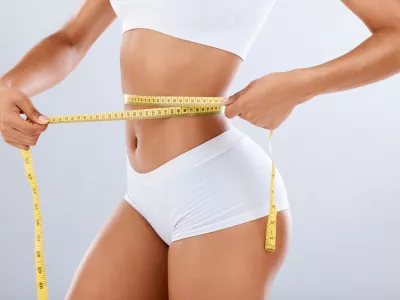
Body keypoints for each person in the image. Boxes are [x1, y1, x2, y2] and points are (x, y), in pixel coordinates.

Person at [0, 0, 399, 299]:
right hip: (143, 196)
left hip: (221, 198)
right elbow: (70, 39)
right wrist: (7, 88)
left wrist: (300, 84)